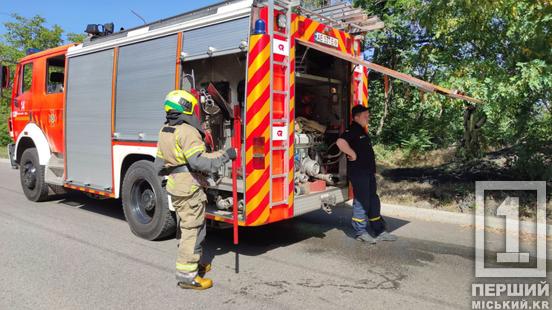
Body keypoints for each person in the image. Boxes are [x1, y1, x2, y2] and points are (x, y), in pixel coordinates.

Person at [155, 90, 237, 290]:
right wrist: (227, 155)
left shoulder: (165, 129)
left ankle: (195, 263)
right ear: (186, 107)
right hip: (189, 188)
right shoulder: (187, 131)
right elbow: (200, 162)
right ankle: (187, 276)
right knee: (192, 230)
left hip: (177, 185)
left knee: (191, 226)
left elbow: (158, 164)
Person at [336, 105, 397, 243]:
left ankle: (379, 230)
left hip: (368, 172)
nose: (367, 117)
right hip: (358, 173)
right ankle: (360, 232)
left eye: (367, 115)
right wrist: (352, 154)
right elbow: (340, 142)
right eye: (365, 115)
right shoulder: (352, 130)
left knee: (373, 200)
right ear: (356, 117)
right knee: (362, 201)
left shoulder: (361, 130)